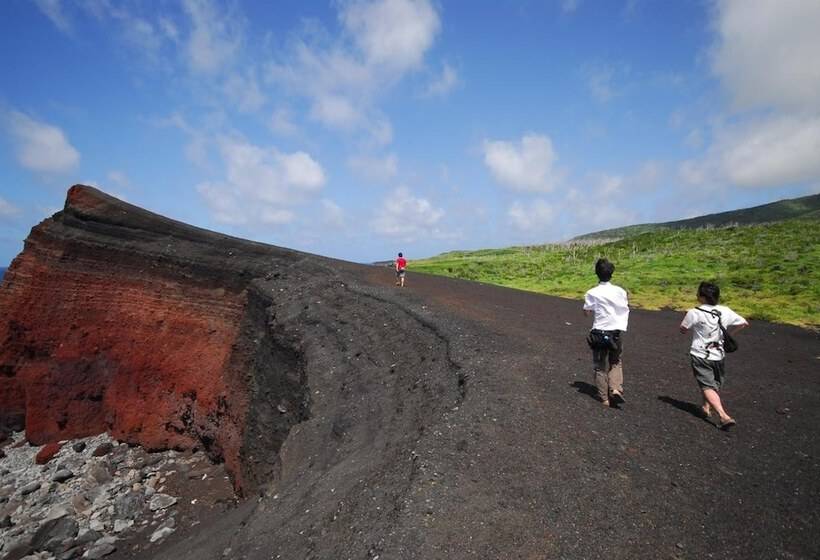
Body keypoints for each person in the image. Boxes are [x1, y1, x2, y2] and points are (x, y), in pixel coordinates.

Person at [679, 281, 748, 430]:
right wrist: (727, 336)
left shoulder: (694, 312)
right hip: (719, 354)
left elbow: (683, 329)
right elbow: (743, 323)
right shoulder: (726, 310)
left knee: (707, 385)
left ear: (702, 297)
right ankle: (705, 407)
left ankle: (724, 416)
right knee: (714, 383)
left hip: (700, 353)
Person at [583, 258, 629, 407]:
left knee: (599, 365)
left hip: (598, 332)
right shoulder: (620, 291)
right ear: (612, 273)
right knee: (615, 362)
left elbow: (587, 312)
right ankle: (615, 388)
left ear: (596, 273)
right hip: (615, 332)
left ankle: (604, 398)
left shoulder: (592, 292)